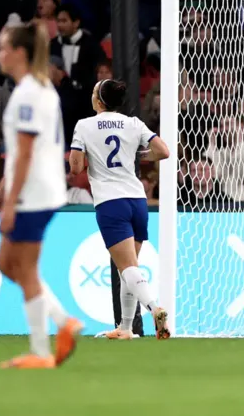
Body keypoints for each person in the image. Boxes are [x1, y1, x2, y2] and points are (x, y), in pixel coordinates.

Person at [0, 21, 82, 369]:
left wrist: (10, 202)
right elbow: (26, 151)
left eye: (3, 47)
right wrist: (0, 191)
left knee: (22, 268)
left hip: (33, 193)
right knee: (8, 264)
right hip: (38, 189)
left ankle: (42, 350)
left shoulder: (28, 93)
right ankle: (62, 321)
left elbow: (24, 154)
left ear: (20, 53)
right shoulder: (38, 88)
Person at [68, 79, 171, 340]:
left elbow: (76, 168)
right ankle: (125, 328)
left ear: (99, 101)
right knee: (128, 266)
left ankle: (154, 308)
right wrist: (136, 156)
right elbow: (163, 151)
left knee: (126, 267)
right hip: (137, 201)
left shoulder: (84, 125)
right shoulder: (133, 123)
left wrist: (89, 157)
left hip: (110, 202)